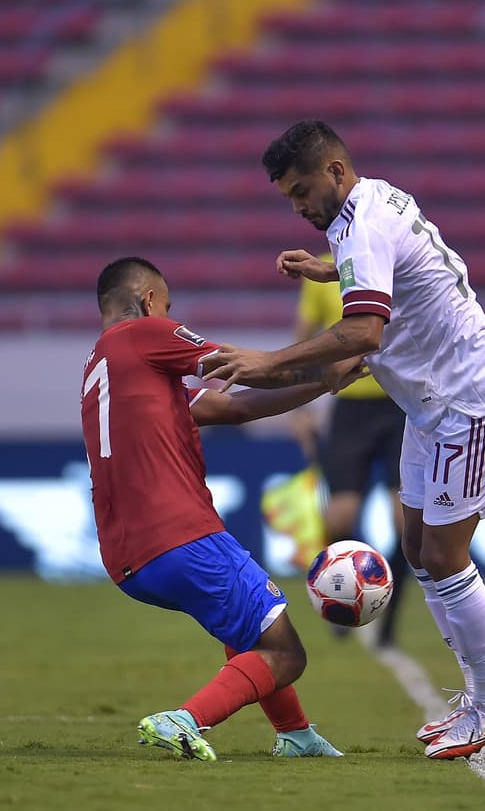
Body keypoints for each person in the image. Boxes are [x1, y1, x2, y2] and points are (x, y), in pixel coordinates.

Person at [205, 120, 485, 760]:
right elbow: (407, 268)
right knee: (413, 542)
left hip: (473, 400)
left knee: (440, 554)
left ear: (335, 170)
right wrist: (333, 272)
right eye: (288, 198)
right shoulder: (371, 205)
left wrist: (268, 362)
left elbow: (362, 336)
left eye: (302, 191)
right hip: (432, 405)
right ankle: (479, 695)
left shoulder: (362, 222)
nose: (299, 207)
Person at [80, 255, 361, 761]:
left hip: (129, 561)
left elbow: (234, 407)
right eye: (167, 306)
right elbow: (242, 369)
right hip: (182, 536)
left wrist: (323, 383)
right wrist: (328, 361)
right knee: (285, 651)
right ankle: (185, 719)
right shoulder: (145, 335)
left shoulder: (107, 371)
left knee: (245, 626)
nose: (170, 316)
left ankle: (296, 734)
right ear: (149, 302)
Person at [290, 251, 411, 648]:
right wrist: (301, 407)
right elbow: (304, 338)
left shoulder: (390, 267)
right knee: (340, 515)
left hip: (399, 404)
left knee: (405, 527)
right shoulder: (322, 271)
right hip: (349, 407)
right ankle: (340, 593)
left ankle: (388, 614)